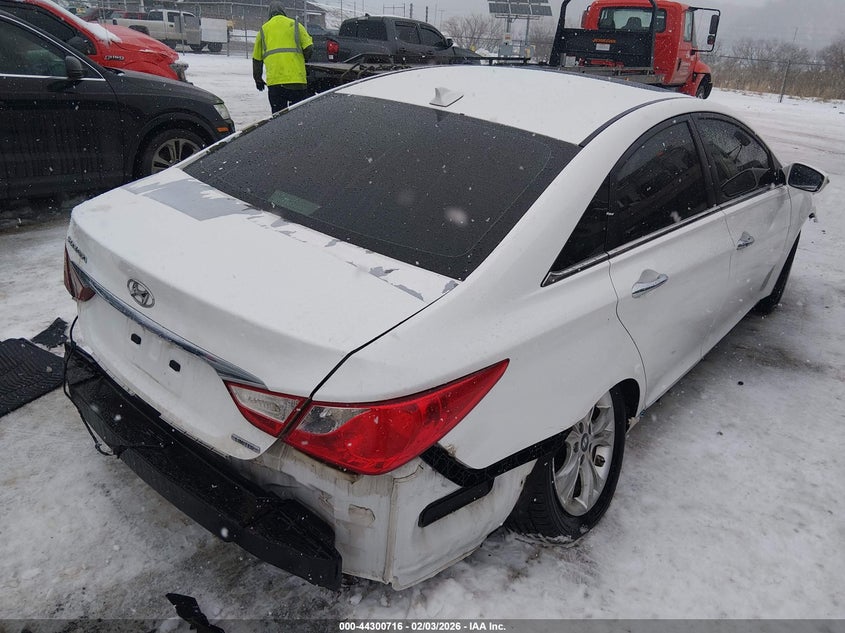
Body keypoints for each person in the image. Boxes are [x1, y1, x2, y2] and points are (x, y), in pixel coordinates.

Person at [252, 1, 314, 114]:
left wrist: (258, 79)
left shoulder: (263, 30)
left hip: (275, 83)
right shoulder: (295, 25)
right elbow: (309, 48)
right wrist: (303, 60)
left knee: (279, 118)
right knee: (300, 116)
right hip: (297, 81)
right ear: (284, 11)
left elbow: (257, 59)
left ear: (269, 13)